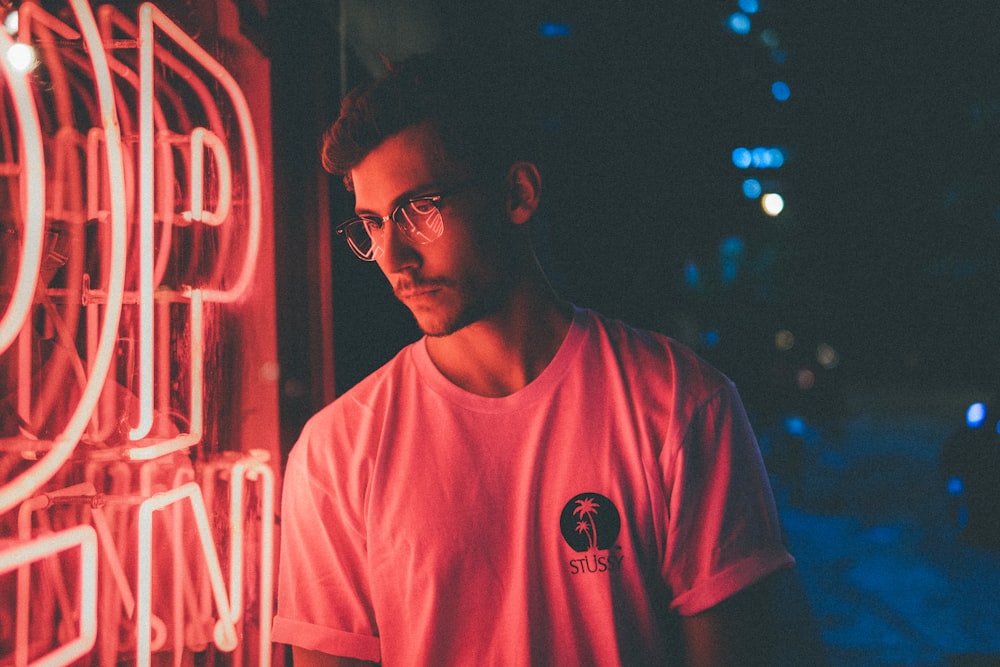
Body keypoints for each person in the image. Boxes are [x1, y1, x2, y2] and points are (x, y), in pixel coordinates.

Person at [272, 50, 825, 666]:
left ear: (518, 193)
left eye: (419, 211)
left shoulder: (680, 407)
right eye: (372, 224)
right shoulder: (337, 454)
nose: (392, 256)